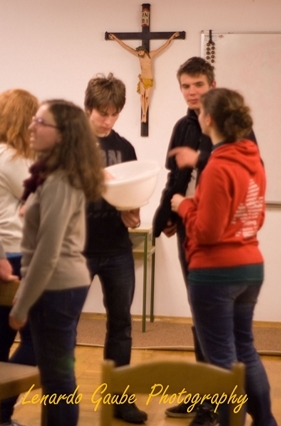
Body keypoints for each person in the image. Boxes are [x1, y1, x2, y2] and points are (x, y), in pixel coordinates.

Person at [152, 57, 255, 425]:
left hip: (222, 235)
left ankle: (221, 405)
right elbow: (174, 178)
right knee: (200, 314)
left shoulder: (235, 125)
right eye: (185, 86)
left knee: (219, 321)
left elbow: (240, 172)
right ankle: (204, 394)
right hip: (190, 228)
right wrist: (166, 215)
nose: (192, 92)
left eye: (198, 84)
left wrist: (198, 159)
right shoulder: (183, 126)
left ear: (212, 84)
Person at [170, 88, 276, 426]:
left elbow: (206, 232)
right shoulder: (252, 159)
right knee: (245, 350)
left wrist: (183, 206)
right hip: (250, 268)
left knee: (222, 361)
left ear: (209, 119)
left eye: (201, 111)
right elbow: (255, 217)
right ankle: (266, 422)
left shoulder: (217, 166)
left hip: (216, 274)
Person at [9, 100, 104, 426]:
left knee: (58, 381)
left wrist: (22, 304)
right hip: (55, 287)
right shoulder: (52, 176)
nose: (31, 127)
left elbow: (47, 253)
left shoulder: (60, 181)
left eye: (40, 122)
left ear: (63, 134)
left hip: (57, 287)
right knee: (55, 378)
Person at [82, 73, 146, 424]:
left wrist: (133, 213)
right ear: (88, 108)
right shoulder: (71, 144)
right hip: (77, 250)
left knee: (121, 325)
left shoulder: (125, 148)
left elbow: (131, 193)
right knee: (65, 325)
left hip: (117, 248)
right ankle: (60, 398)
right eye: (101, 113)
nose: (108, 121)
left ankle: (119, 399)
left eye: (114, 114)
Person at [0, 89, 39, 426]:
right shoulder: (12, 158)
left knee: (0, 335)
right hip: (15, 255)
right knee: (38, 342)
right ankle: (1, 408)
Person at [108, 32, 179, 122]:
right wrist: (115, 38)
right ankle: (144, 114)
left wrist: (172, 37)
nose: (139, 53)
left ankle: (145, 112)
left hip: (149, 79)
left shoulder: (150, 55)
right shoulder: (138, 56)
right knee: (142, 96)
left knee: (147, 97)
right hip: (142, 79)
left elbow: (164, 46)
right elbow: (125, 47)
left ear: (144, 50)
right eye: (138, 51)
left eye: (140, 51)